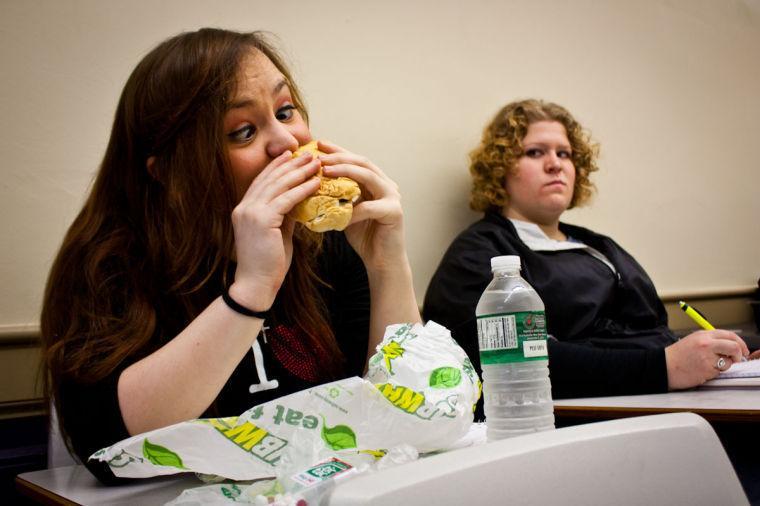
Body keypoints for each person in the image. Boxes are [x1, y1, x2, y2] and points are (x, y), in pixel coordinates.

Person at [40, 28, 420, 483]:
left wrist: (386, 264)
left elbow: (407, 411)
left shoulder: (324, 244)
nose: (284, 142)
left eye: (286, 111)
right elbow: (107, 450)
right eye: (243, 131)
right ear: (169, 172)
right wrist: (253, 289)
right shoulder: (105, 261)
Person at [423, 99, 749, 420]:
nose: (556, 164)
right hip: (584, 414)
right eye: (535, 152)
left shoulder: (598, 245)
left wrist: (733, 353)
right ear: (501, 169)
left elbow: (654, 333)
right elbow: (514, 363)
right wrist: (666, 367)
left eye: (564, 153)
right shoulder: (479, 255)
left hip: (680, 396)